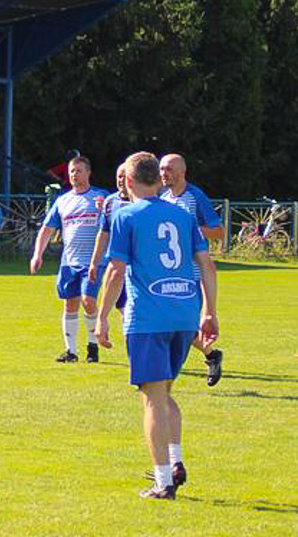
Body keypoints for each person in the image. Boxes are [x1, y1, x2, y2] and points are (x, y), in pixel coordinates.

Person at [96, 151, 218, 499]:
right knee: (163, 393)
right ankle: (175, 462)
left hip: (147, 317)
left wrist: (102, 317)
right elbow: (207, 265)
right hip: (184, 314)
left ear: (129, 182)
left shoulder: (126, 215)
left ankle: (163, 482)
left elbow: (116, 270)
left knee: (152, 398)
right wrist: (209, 311)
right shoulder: (182, 215)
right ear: (157, 178)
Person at [30, 156, 108, 363]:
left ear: (88, 173)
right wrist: (37, 254)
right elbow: (47, 229)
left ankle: (92, 345)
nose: (74, 174)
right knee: (69, 304)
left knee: (88, 301)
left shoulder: (101, 198)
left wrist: (105, 210)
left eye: (79, 170)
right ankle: (71, 352)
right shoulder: (62, 201)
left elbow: (117, 219)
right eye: (72, 171)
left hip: (93, 261)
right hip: (69, 262)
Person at [159, 152, 225, 386]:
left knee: (183, 328)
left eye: (168, 169)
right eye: (162, 169)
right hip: (166, 275)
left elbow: (219, 232)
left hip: (193, 277)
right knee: (172, 326)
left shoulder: (195, 197)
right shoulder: (163, 198)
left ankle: (165, 378)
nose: (163, 173)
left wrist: (188, 228)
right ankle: (211, 355)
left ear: (182, 171)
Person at [88, 163, 132, 314]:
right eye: (119, 176)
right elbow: (103, 233)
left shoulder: (142, 202)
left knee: (134, 308)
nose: (121, 180)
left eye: (125, 176)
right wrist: (94, 262)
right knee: (122, 306)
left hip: (137, 265)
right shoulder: (110, 201)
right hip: (116, 262)